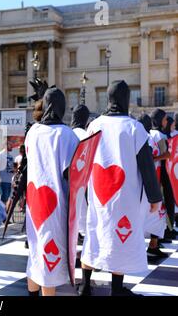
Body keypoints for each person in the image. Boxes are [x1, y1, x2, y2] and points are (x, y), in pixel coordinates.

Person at [79, 81, 162, 296]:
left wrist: (85, 193)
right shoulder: (134, 128)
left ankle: (85, 286)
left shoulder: (94, 125)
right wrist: (155, 197)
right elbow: (147, 166)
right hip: (125, 196)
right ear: (126, 100)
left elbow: (84, 162)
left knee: (94, 232)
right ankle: (116, 290)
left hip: (98, 193)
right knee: (120, 237)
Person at [25, 88, 80, 297]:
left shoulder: (33, 132)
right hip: (56, 203)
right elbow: (72, 175)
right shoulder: (67, 135)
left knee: (35, 252)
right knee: (50, 254)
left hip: (34, 202)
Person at [138, 114, 167, 259]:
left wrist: (152, 159)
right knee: (147, 215)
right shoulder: (141, 138)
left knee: (156, 215)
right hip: (146, 181)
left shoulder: (154, 136)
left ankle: (153, 245)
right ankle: (145, 247)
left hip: (154, 178)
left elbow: (166, 153)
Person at [150, 109, 175, 242]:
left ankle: (156, 240)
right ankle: (158, 239)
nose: (166, 122)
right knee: (162, 207)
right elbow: (165, 156)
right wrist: (164, 156)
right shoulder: (161, 136)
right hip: (160, 176)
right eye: (165, 119)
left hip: (153, 175)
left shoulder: (150, 133)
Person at [70, 104, 91, 241]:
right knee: (83, 207)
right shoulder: (87, 134)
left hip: (69, 177)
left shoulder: (67, 133)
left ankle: (74, 232)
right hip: (85, 177)